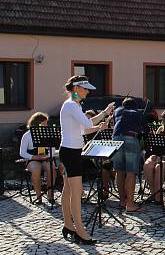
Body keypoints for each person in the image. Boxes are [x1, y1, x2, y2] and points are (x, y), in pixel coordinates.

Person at [59, 75, 114, 245]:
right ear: (76, 88)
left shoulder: (73, 105)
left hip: (70, 150)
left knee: (68, 190)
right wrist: (103, 117)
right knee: (76, 193)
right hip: (71, 152)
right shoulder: (72, 106)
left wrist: (102, 119)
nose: (88, 92)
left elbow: (83, 128)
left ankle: (69, 225)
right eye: (85, 88)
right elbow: (87, 125)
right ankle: (80, 231)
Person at [112, 98, 145, 212]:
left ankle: (122, 201)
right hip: (131, 138)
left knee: (119, 170)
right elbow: (144, 128)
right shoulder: (138, 112)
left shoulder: (117, 111)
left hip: (116, 139)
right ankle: (130, 204)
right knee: (131, 172)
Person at [19, 112, 59, 204]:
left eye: (46, 123)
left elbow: (53, 149)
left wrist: (48, 156)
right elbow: (22, 152)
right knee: (36, 169)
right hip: (33, 159)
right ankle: (38, 196)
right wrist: (34, 157)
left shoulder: (48, 133)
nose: (46, 125)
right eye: (44, 123)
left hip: (46, 157)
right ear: (37, 123)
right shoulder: (27, 135)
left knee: (51, 168)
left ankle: (50, 195)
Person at [143, 109, 165, 205]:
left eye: (163, 120)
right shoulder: (160, 129)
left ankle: (158, 198)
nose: (161, 121)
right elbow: (156, 147)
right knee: (148, 164)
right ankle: (154, 192)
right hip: (161, 155)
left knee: (159, 167)